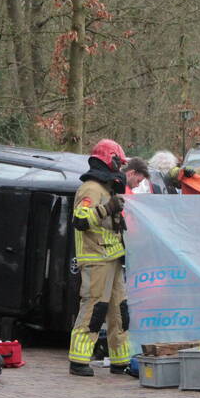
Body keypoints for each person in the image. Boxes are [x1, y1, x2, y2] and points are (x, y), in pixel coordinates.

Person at [67, 139, 132, 376]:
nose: (120, 168)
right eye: (118, 162)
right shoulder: (91, 189)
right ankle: (79, 359)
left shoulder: (106, 188)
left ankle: (120, 360)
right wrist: (107, 208)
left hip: (112, 257)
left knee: (119, 311)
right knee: (94, 308)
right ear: (108, 159)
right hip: (96, 258)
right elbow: (81, 220)